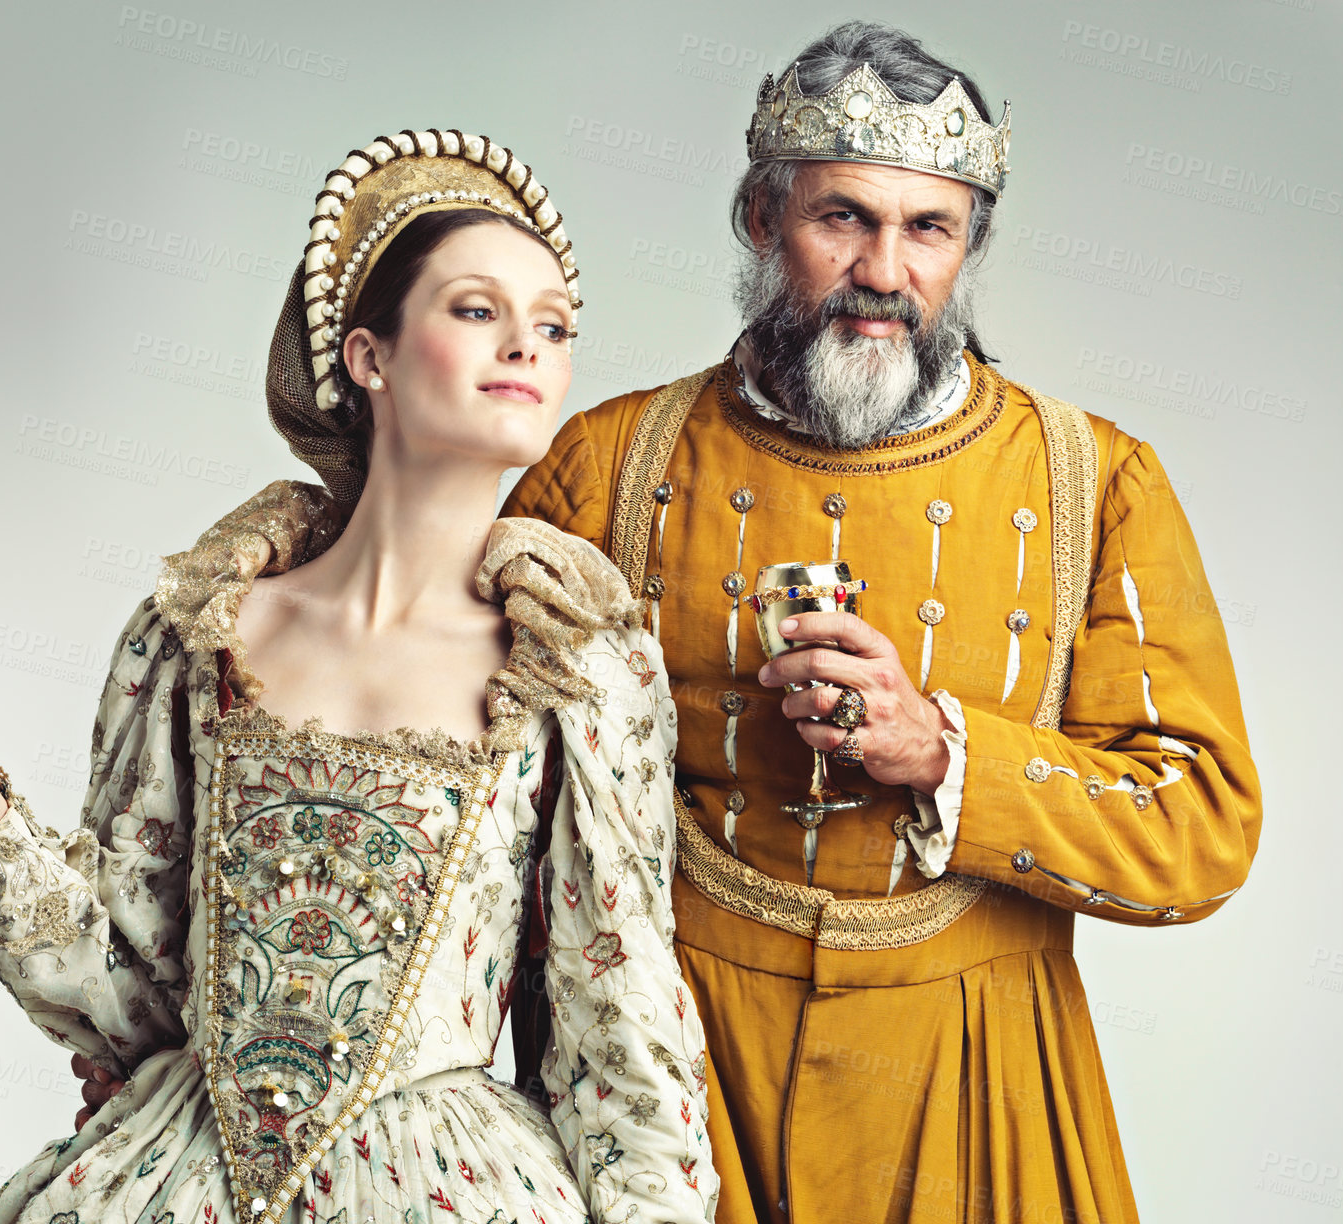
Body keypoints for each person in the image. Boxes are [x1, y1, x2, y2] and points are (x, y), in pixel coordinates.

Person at [243, 24, 1263, 1224]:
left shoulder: (1099, 480)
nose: (884, 268)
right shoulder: (602, 461)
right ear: (761, 222)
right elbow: (451, 780)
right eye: (843, 218)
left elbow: (1198, 833)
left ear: (969, 247)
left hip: (979, 1063)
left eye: (928, 229)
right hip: (675, 1071)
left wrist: (947, 755)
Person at [0, 129, 717, 1224]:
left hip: (446, 1189)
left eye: (553, 326)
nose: (528, 348)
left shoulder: (572, 664)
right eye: (478, 310)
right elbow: (138, 1000)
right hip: (174, 1175)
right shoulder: (202, 634)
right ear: (367, 357)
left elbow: (617, 1014)